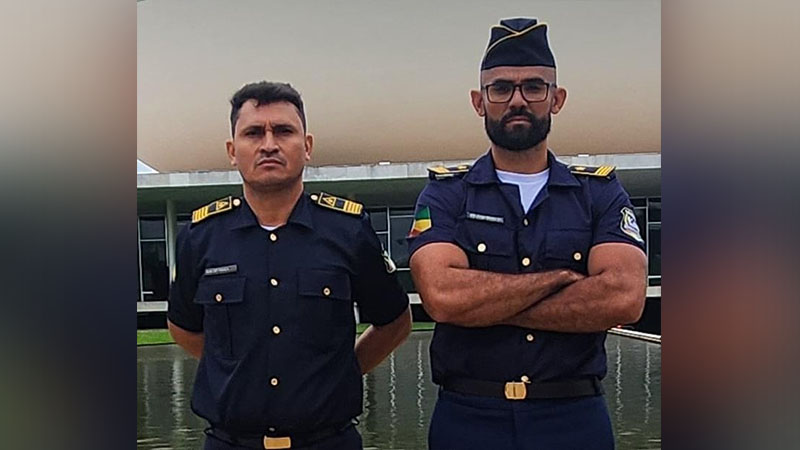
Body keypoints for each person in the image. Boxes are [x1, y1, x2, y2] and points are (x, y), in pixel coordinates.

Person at [407, 18, 647, 450]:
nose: (518, 100)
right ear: (479, 102)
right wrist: (559, 280)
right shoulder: (447, 194)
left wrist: (480, 303)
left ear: (557, 99)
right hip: (469, 419)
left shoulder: (599, 192)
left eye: (534, 87)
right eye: (501, 88)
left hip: (573, 420)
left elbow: (624, 297)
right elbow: (441, 296)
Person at [168, 81, 412, 450]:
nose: (269, 144)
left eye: (283, 131)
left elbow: (394, 322)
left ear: (307, 146)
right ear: (233, 151)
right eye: (253, 133)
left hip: (328, 441)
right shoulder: (200, 237)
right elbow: (182, 326)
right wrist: (236, 367)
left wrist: (339, 374)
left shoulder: (347, 230)